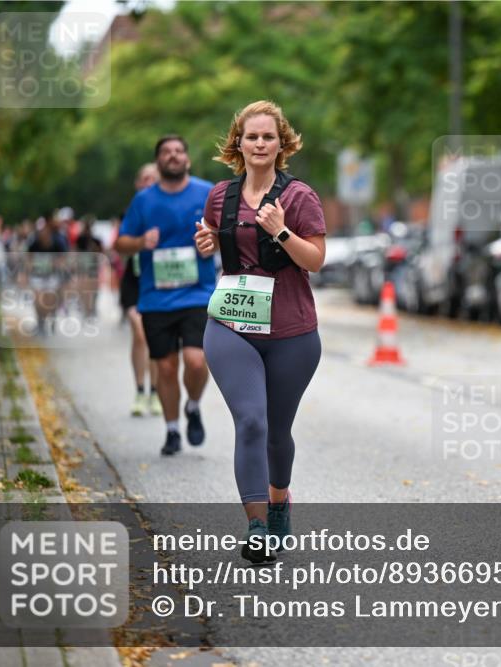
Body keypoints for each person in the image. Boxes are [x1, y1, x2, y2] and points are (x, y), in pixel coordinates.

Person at [195, 100, 325, 563]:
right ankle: (256, 526)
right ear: (238, 143)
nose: (260, 144)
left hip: (291, 331)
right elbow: (216, 237)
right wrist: (207, 242)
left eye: (268, 136)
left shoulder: (299, 198)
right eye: (252, 136)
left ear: (281, 143)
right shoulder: (220, 196)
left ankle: (278, 501)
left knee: (277, 432)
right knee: (251, 420)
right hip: (231, 324)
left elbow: (316, 260)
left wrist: (283, 233)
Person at [114, 136, 215, 456]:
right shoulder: (144, 201)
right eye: (166, 152)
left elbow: (227, 233)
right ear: (158, 162)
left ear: (187, 158)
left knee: (197, 361)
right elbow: (120, 243)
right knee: (167, 368)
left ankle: (194, 406)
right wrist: (141, 241)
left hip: (198, 293)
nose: (173, 156)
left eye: (179, 151)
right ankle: (172, 430)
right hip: (156, 297)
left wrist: (212, 239)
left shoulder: (206, 192)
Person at [118, 163, 161, 417]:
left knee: (153, 338)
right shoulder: (132, 212)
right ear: (137, 184)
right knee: (140, 332)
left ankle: (154, 392)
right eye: (144, 179)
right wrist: (139, 242)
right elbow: (119, 247)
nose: (148, 183)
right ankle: (139, 389)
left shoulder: (168, 210)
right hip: (134, 283)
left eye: (153, 179)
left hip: (159, 284)